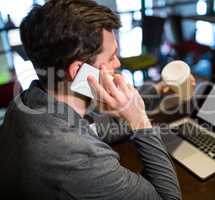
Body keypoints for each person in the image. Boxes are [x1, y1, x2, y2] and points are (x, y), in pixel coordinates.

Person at [0, 0, 187, 199]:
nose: (118, 62)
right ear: (80, 71)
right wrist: (140, 121)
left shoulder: (26, 103)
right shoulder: (76, 155)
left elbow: (97, 129)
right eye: (111, 57)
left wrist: (156, 90)